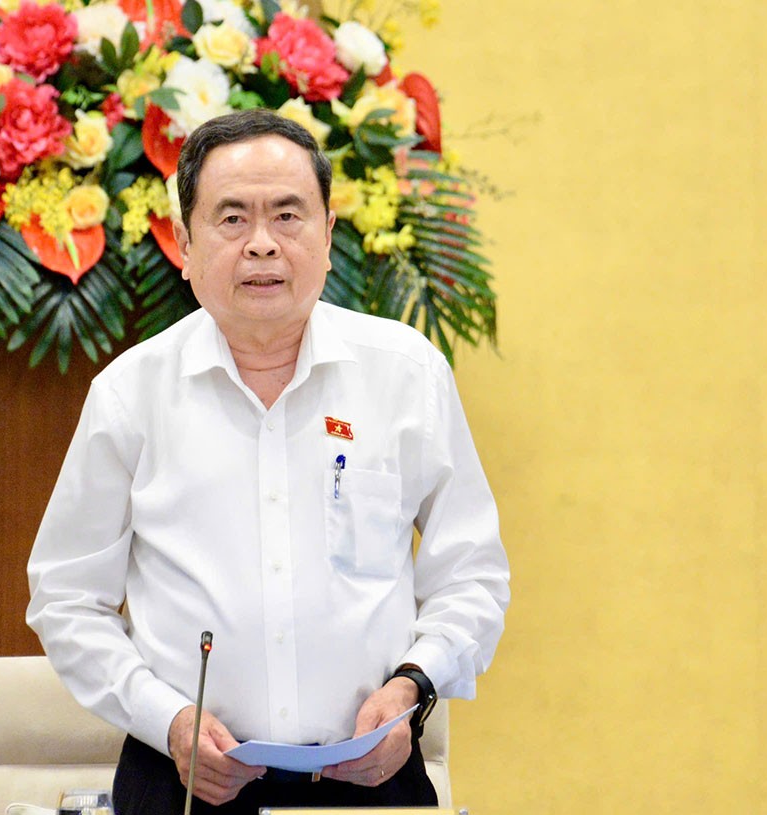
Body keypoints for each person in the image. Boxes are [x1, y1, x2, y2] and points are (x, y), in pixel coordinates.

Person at [26, 109, 510, 814]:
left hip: (370, 778)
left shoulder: (407, 374)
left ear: (328, 236)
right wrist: (168, 718)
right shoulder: (130, 394)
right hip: (182, 779)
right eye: (232, 219)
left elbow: (472, 574)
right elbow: (66, 598)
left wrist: (415, 683)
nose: (262, 244)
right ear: (185, 245)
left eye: (287, 216)